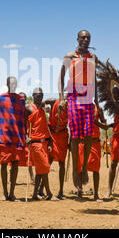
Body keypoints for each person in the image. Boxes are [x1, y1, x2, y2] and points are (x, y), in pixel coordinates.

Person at [59, 30, 99, 193]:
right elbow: (60, 78)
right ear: (77, 39)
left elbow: (94, 79)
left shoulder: (93, 57)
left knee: (89, 135)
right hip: (74, 96)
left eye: (88, 37)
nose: (85, 39)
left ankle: (83, 167)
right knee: (75, 136)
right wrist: (62, 97)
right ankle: (76, 171)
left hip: (88, 97)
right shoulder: (70, 57)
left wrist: (97, 100)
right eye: (82, 37)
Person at [0, 76, 26, 201]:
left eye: (15, 83)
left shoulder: (21, 99)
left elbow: (22, 119)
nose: (13, 85)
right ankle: (5, 193)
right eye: (11, 83)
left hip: (16, 136)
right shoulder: (0, 99)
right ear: (7, 84)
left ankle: (12, 193)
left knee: (15, 165)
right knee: (4, 164)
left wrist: (23, 136)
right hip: (3, 135)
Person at [25, 88, 58, 201]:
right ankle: (49, 193)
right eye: (37, 95)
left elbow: (53, 100)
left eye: (41, 95)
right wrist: (26, 137)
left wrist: (49, 141)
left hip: (44, 142)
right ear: (33, 95)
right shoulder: (28, 108)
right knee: (44, 167)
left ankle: (35, 194)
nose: (40, 97)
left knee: (40, 170)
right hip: (34, 143)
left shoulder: (42, 108)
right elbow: (22, 124)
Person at [77, 104, 107, 201]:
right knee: (80, 168)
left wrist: (100, 114)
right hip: (82, 142)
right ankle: (79, 192)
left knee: (95, 169)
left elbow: (104, 124)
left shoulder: (98, 108)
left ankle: (96, 194)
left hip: (94, 142)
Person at [44, 98, 69, 199]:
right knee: (48, 160)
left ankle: (61, 191)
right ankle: (42, 189)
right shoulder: (54, 101)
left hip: (63, 135)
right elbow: (43, 102)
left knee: (62, 163)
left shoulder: (71, 107)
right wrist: (45, 107)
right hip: (52, 134)